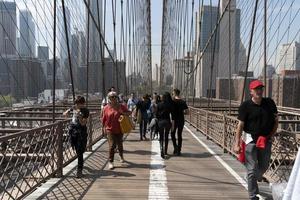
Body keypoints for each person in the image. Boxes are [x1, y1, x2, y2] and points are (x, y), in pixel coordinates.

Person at [233, 80, 278, 200]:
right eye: (256, 89)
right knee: (252, 169)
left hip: (265, 139)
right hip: (250, 140)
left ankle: (250, 178)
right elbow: (240, 126)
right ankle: (253, 195)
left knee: (264, 167)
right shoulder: (245, 106)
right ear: (251, 91)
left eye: (260, 88)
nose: (259, 91)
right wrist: (237, 144)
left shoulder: (269, 103)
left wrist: (271, 135)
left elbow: (276, 121)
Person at [102, 91, 131, 170]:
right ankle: (111, 162)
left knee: (119, 144)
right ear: (109, 98)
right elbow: (104, 119)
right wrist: (103, 129)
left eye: (115, 96)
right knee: (112, 146)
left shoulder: (121, 106)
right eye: (112, 97)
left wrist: (123, 113)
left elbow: (129, 112)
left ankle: (121, 155)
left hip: (120, 128)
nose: (113, 98)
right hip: (110, 129)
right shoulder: (106, 108)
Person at [63, 96, 90, 178]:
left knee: (80, 151)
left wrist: (80, 116)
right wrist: (67, 112)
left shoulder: (85, 111)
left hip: (81, 132)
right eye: (77, 104)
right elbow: (66, 113)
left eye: (80, 104)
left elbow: (83, 124)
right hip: (73, 131)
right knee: (76, 149)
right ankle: (80, 165)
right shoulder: (74, 107)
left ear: (83, 103)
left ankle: (79, 170)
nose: (78, 106)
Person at [156, 92, 175, 159]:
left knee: (161, 136)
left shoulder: (159, 104)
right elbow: (172, 115)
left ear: (162, 98)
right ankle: (165, 151)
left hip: (160, 122)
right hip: (167, 122)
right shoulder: (169, 105)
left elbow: (156, 115)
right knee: (166, 136)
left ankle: (161, 149)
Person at [171, 88, 188, 156]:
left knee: (172, 134)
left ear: (174, 93)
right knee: (179, 134)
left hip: (174, 120)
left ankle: (175, 147)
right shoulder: (183, 102)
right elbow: (187, 112)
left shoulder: (172, 101)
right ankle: (179, 150)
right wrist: (182, 112)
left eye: (172, 93)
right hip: (181, 120)